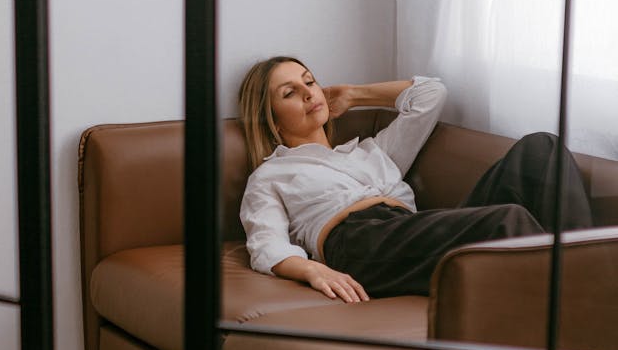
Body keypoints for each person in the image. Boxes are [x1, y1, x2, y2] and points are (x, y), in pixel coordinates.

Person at [238, 56, 594, 302]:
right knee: (508, 221)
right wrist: (312, 270)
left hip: (412, 231)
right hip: (360, 244)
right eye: (289, 93)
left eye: (309, 81)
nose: (307, 92)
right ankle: (589, 303)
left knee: (541, 149)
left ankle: (591, 278)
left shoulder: (373, 152)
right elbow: (266, 244)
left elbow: (430, 95)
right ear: (270, 119)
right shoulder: (270, 174)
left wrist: (356, 94)